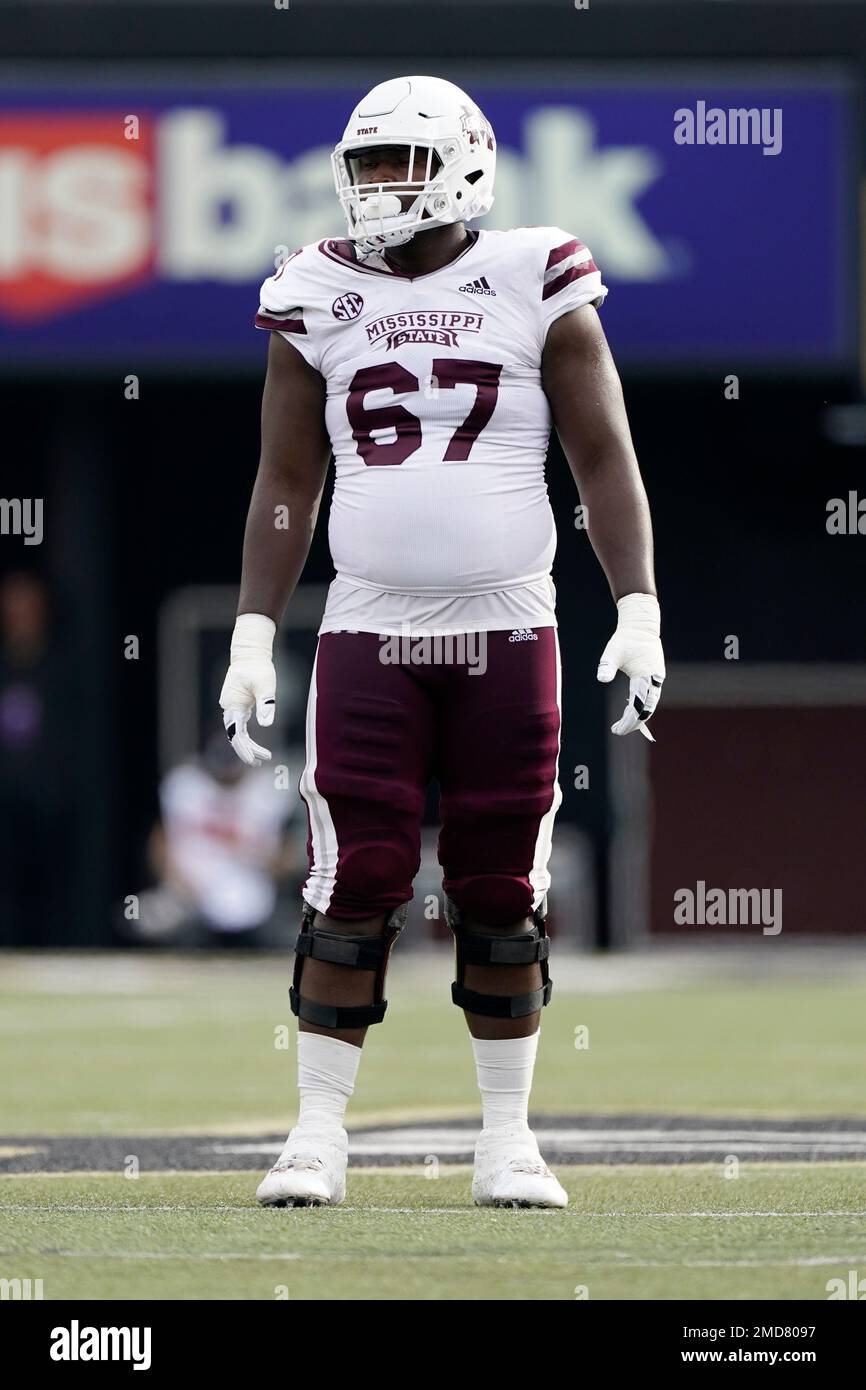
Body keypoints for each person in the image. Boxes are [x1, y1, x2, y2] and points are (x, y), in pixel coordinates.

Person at [219, 75, 665, 1208]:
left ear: (464, 164)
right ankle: (317, 1131)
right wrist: (251, 630)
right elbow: (284, 479)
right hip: (369, 624)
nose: (377, 190)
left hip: (508, 623)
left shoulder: (532, 271)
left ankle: (507, 1137)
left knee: (499, 882)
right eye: (364, 167)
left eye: (398, 165)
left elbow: (600, 453)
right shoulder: (311, 288)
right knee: (355, 872)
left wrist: (639, 602)